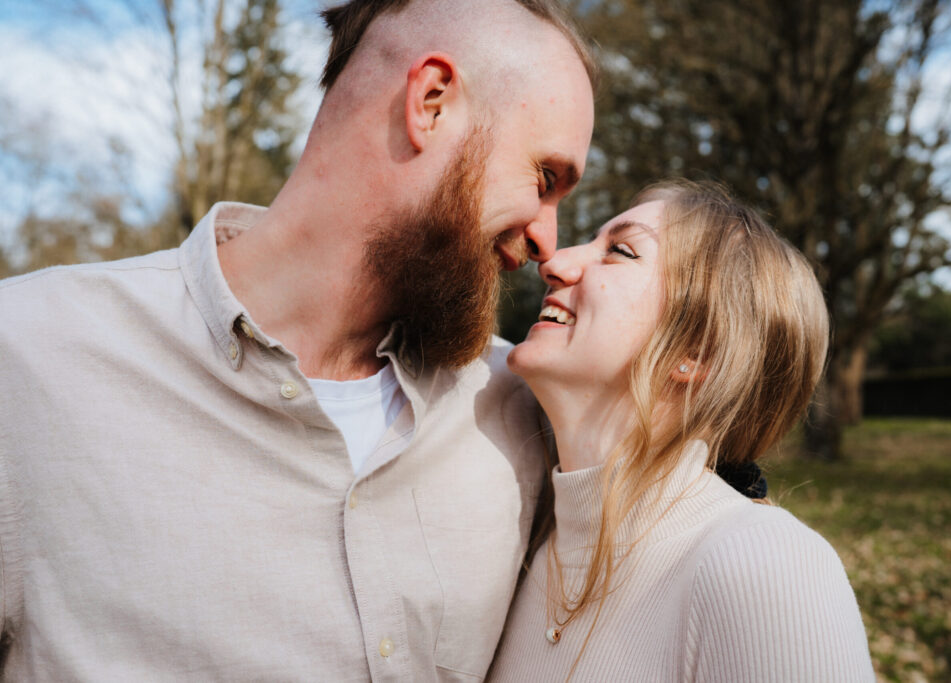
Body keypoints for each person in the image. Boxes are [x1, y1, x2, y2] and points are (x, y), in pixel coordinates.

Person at [0, 1, 595, 679]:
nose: (548, 241)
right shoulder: (28, 354)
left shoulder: (523, 407)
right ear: (430, 103)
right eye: (544, 179)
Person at [488, 180, 875, 682]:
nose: (554, 262)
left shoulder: (765, 565)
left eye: (620, 252)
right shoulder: (524, 543)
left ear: (696, 352)